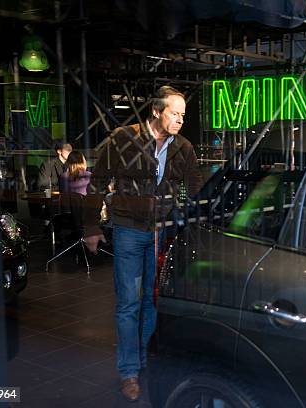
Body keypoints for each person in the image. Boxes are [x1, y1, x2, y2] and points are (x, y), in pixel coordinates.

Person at [82, 86, 203, 402]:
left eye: (183, 115)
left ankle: (148, 361)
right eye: (174, 113)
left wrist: (193, 218)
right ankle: (129, 372)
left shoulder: (183, 147)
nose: (179, 120)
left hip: (160, 234)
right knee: (128, 304)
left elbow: (195, 188)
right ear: (156, 111)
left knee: (153, 301)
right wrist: (91, 226)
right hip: (128, 231)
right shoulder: (124, 138)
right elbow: (96, 182)